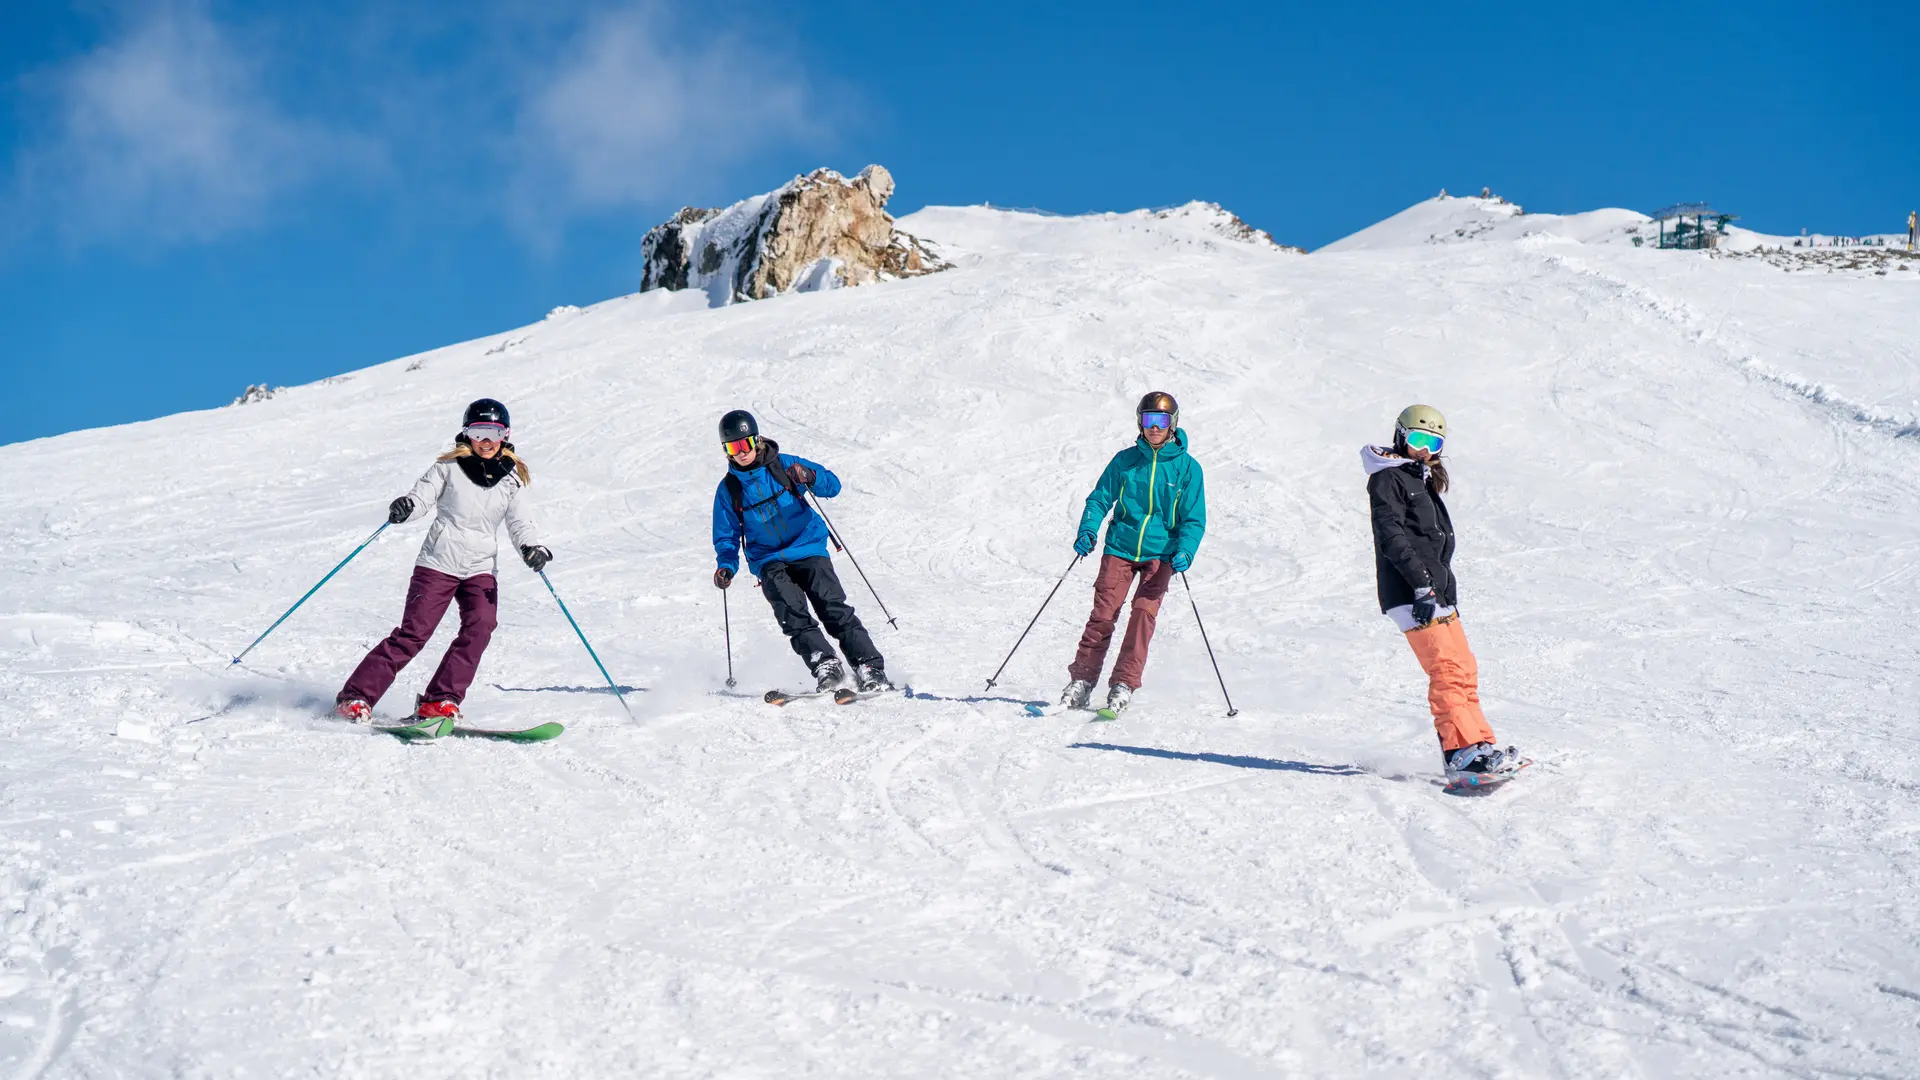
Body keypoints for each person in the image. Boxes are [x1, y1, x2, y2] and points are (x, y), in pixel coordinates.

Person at [333, 399, 549, 724]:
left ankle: (439, 700)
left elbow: (520, 524)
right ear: (467, 433)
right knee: (413, 634)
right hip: (438, 563)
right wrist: (408, 506)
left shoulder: (511, 479)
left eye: (493, 432)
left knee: (481, 626)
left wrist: (531, 547)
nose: (486, 440)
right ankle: (356, 697)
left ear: (505, 435)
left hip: (480, 568)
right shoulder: (448, 467)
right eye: (478, 431)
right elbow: (422, 497)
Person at [1362, 405, 1522, 785]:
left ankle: (1479, 745)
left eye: (1432, 443)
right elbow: (1392, 536)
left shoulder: (1418, 478)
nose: (1424, 450)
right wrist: (1421, 584)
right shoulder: (1388, 479)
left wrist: (1438, 588)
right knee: (1447, 670)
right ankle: (1461, 753)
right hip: (1411, 591)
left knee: (1463, 668)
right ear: (1400, 436)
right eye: (1418, 439)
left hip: (1435, 591)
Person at [710, 410, 890, 693]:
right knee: (792, 614)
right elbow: (726, 535)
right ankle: (825, 664)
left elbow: (833, 485)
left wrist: (809, 476)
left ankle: (868, 666)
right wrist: (726, 566)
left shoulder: (784, 465)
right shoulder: (729, 490)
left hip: (807, 547)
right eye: (733, 448)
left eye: (745, 444)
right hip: (768, 559)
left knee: (832, 607)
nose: (741, 453)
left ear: (757, 441)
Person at [1061, 391, 1207, 715]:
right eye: (1148, 420)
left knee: (1143, 615)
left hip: (1161, 554)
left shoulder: (1187, 469)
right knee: (1103, 614)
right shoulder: (1125, 461)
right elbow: (1100, 497)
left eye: (1161, 421)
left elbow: (1194, 519)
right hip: (1120, 547)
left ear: (1172, 424)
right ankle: (1082, 680)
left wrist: (1186, 550)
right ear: (1140, 423)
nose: (1154, 427)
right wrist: (1088, 529)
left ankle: (1124, 683)